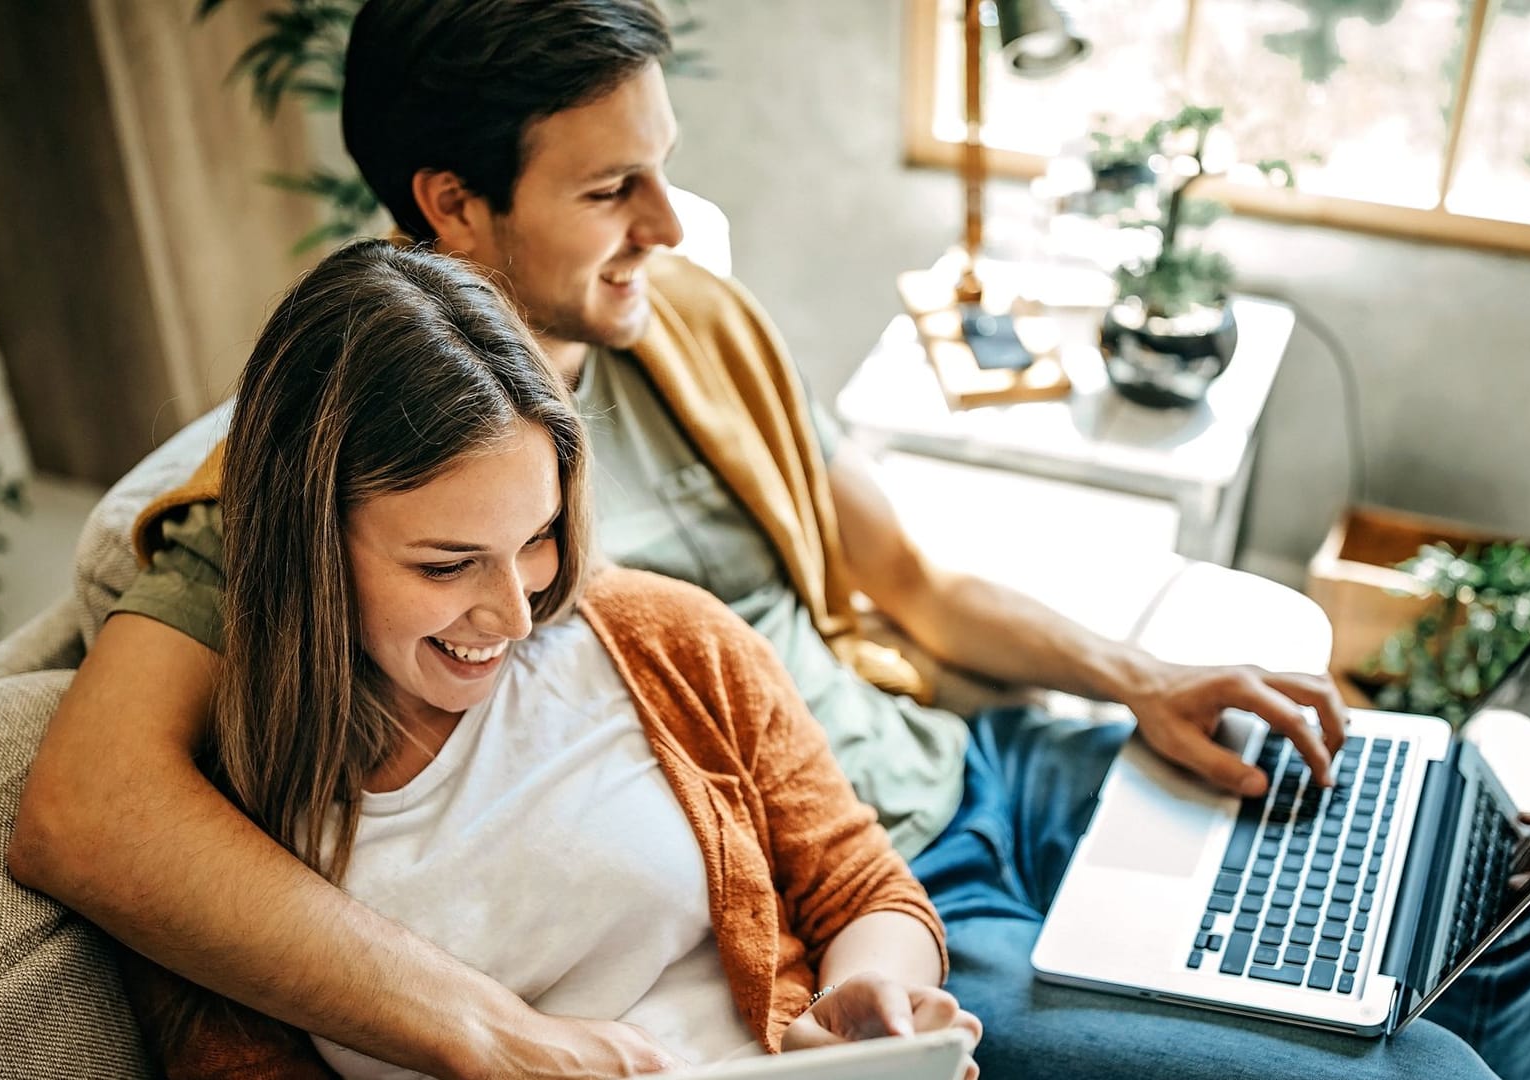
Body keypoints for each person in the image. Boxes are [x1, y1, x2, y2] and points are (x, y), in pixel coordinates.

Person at [9, 2, 1530, 1077]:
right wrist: (489, 1035)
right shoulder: (317, 491)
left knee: (1492, 831)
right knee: (1416, 1060)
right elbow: (87, 814)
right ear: (453, 203)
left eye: (666, 169)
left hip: (972, 761)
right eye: (614, 186)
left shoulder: (684, 322)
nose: (670, 223)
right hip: (899, 907)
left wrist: (1141, 678)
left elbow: (897, 583)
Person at [116, 238, 980, 1076]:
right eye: (447, 564)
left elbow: (863, 887)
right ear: (308, 544)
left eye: (537, 539)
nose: (515, 616)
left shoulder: (665, 639)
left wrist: (875, 998)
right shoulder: (217, 849)